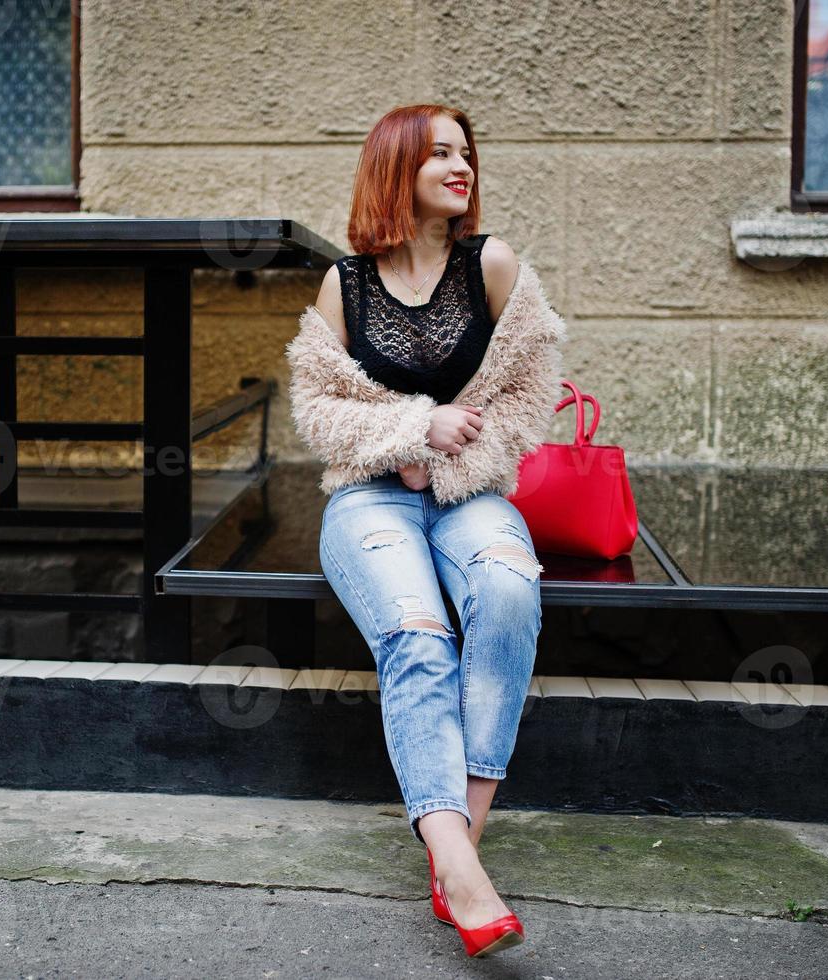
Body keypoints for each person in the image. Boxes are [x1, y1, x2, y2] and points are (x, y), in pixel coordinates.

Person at [296, 103, 554, 958]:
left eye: (465, 152)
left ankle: (456, 852)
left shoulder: (493, 265)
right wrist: (411, 432)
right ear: (394, 167)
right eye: (439, 152)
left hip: (470, 494)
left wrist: (447, 456)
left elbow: (529, 394)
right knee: (414, 629)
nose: (461, 165)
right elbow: (317, 408)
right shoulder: (346, 283)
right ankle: (461, 869)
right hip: (369, 499)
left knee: (508, 593)